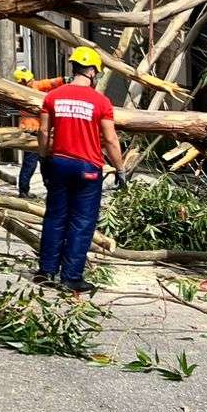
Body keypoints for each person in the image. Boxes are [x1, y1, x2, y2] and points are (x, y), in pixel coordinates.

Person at [36, 46, 127, 294]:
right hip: (87, 167)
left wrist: (44, 158)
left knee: (55, 217)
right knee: (81, 222)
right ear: (92, 72)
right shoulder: (101, 101)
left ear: (74, 68)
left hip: (59, 163)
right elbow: (110, 140)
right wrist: (120, 169)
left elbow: (43, 132)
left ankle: (46, 271)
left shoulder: (53, 97)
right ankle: (71, 277)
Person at [13, 67, 64, 198]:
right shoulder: (21, 93)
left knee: (44, 162)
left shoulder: (32, 86)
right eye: (29, 81)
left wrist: (63, 80)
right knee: (32, 163)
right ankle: (24, 191)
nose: (32, 82)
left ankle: (47, 189)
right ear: (23, 82)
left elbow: (49, 83)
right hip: (31, 131)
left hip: (38, 131)